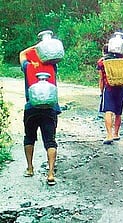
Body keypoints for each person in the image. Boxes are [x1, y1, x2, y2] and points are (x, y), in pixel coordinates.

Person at [19, 31, 62, 186]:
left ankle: (30, 168)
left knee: (29, 137)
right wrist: (45, 46)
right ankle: (50, 173)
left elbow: (22, 54)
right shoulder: (52, 66)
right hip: (50, 108)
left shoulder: (28, 66)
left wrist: (37, 46)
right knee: (50, 141)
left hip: (31, 106)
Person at [97, 43, 123, 144]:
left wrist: (101, 91)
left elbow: (101, 79)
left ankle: (109, 135)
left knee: (108, 111)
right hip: (122, 88)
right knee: (118, 112)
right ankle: (116, 134)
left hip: (109, 88)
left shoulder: (102, 62)